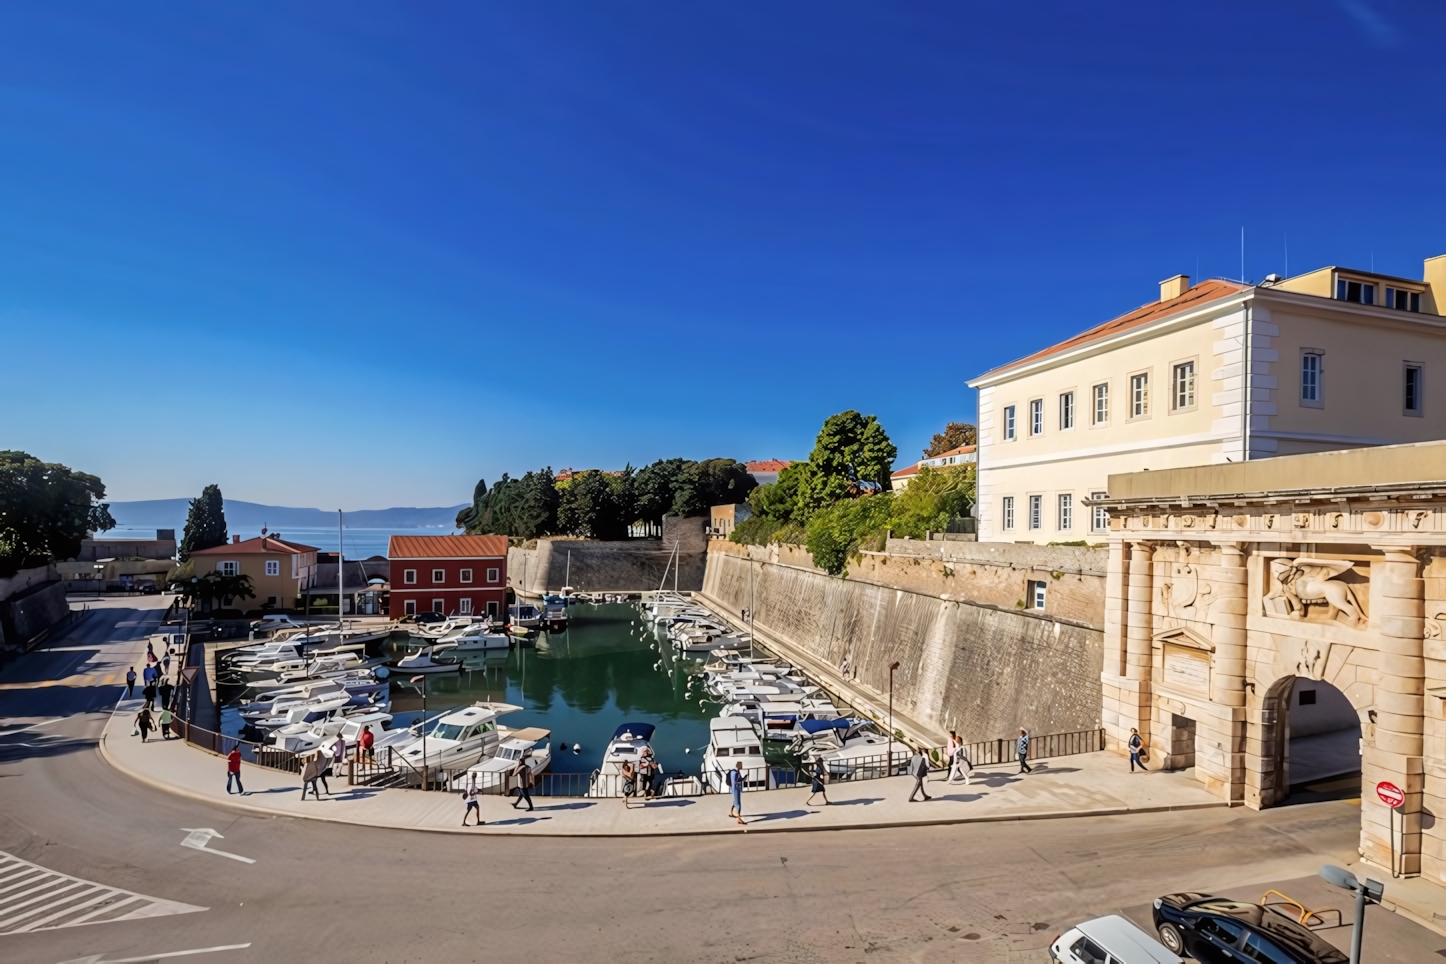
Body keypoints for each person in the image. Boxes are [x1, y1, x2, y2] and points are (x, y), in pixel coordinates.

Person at [726, 761, 746, 825]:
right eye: (741, 765)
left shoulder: (735, 772)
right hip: (736, 790)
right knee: (738, 805)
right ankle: (739, 819)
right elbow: (736, 782)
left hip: (734, 789)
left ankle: (731, 813)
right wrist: (743, 778)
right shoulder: (735, 773)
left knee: (735, 802)